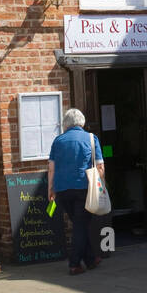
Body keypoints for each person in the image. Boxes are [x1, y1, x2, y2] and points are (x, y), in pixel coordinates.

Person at [47, 108, 105, 275]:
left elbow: (51, 168)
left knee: (80, 224)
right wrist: (102, 187)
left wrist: (50, 189)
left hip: (63, 190)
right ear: (82, 122)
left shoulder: (58, 141)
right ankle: (74, 264)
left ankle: (91, 259)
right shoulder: (91, 139)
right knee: (80, 225)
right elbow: (100, 167)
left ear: (66, 124)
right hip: (83, 188)